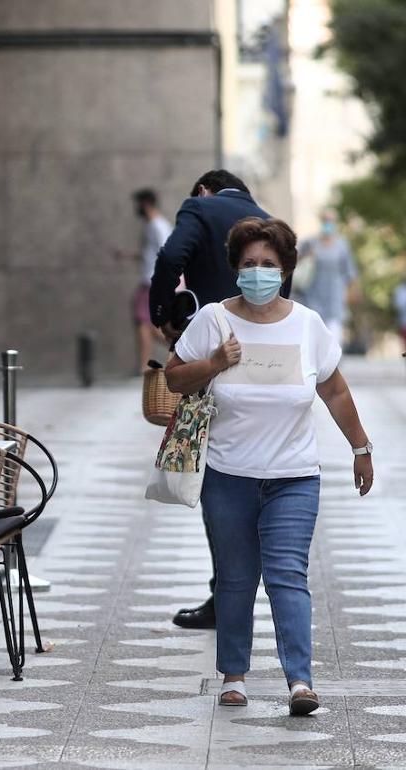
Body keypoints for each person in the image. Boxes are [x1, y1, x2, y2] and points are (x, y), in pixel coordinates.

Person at [165, 217, 373, 715]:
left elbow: (334, 388)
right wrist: (214, 362)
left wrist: (360, 448)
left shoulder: (308, 325)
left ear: (285, 271)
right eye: (249, 264)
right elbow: (173, 379)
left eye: (269, 265)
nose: (258, 273)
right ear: (237, 268)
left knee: (287, 576)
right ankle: (233, 676)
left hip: (294, 477)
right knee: (235, 577)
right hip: (227, 475)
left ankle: (300, 681)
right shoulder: (213, 319)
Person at [149, 169, 291, 631]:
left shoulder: (200, 207)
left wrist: (166, 318)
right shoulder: (269, 222)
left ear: (204, 190)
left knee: (218, 473)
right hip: (262, 366)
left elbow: (171, 255)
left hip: (211, 358)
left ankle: (224, 594)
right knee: (253, 471)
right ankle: (253, 589)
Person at [118, 188, 173, 372]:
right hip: (149, 281)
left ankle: (144, 365)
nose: (136, 208)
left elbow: (168, 252)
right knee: (146, 324)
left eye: (138, 204)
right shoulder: (151, 225)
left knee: (143, 323)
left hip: (152, 282)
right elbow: (150, 254)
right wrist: (129, 256)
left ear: (146, 203)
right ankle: (180, 348)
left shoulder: (158, 225)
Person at [296, 209, 359, 342]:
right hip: (313, 294)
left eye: (331, 220)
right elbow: (295, 261)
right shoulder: (310, 242)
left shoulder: (342, 245)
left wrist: (352, 291)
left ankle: (334, 362)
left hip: (335, 295)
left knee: (334, 333)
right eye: (325, 220)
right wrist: (308, 256)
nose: (328, 223)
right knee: (315, 333)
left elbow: (350, 271)